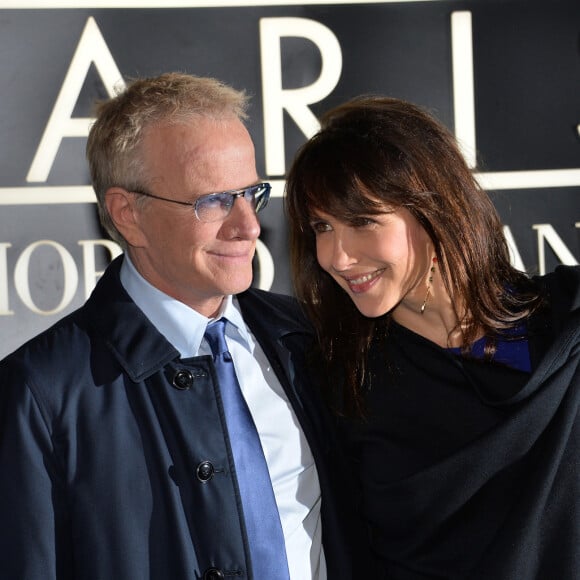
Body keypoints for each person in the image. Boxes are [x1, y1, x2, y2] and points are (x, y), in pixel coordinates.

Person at [0, 73, 368, 580]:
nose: (249, 226)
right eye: (215, 201)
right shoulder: (40, 393)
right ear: (127, 214)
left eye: (251, 193)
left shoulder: (305, 340)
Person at [285, 95, 580, 579]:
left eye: (362, 221)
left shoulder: (567, 322)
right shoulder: (340, 383)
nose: (336, 256)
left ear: (433, 209)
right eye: (322, 227)